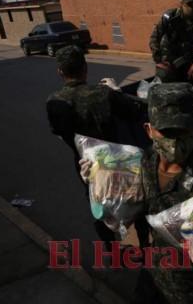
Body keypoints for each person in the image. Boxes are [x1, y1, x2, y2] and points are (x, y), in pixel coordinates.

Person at [81, 82, 193, 303]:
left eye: (183, 131)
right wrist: (100, 190)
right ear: (149, 130)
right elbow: (122, 219)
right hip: (154, 277)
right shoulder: (141, 165)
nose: (174, 141)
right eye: (166, 132)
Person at [46, 45, 150, 249]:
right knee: (134, 199)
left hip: (86, 166)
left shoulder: (54, 102)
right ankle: (145, 245)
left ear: (60, 72)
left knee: (99, 203)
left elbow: (59, 133)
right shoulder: (103, 93)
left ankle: (112, 249)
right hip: (119, 161)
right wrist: (116, 91)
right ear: (85, 68)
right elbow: (135, 112)